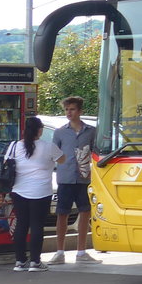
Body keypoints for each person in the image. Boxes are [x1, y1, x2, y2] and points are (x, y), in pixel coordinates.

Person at [8, 116, 64, 272]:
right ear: (40, 130)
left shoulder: (14, 146)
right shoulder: (48, 146)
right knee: (37, 226)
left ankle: (19, 261)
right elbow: (63, 159)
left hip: (18, 191)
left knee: (21, 225)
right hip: (41, 192)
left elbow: (7, 162)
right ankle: (35, 262)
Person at [49, 96, 100, 265]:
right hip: (65, 177)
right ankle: (60, 251)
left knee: (85, 212)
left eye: (72, 109)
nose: (68, 113)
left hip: (83, 178)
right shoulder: (60, 132)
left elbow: (96, 153)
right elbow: (54, 153)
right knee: (62, 213)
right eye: (66, 110)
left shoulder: (91, 131)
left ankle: (81, 251)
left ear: (80, 111)